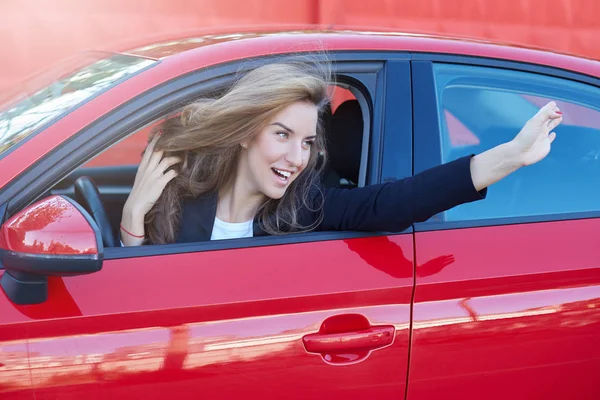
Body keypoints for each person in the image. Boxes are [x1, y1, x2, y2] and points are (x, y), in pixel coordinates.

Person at [119, 61, 563, 246]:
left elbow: (396, 202)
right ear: (244, 134)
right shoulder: (180, 198)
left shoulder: (304, 207)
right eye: (282, 134)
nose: (296, 157)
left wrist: (513, 154)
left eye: (308, 143)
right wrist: (133, 216)